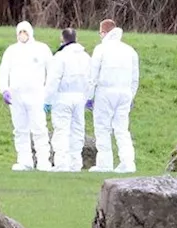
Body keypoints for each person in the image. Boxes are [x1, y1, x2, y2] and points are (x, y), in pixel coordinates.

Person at [0, 21, 53, 171]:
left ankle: (43, 160)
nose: (23, 35)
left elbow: (51, 72)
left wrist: (48, 94)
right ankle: (24, 160)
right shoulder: (11, 51)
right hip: (16, 96)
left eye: (25, 32)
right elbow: (3, 71)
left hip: (36, 95)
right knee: (20, 129)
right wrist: (4, 90)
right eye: (20, 32)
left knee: (39, 128)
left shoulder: (41, 49)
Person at [88, 18, 140, 173]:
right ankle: (128, 162)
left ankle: (105, 163)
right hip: (124, 93)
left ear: (103, 32)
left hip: (105, 92)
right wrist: (131, 95)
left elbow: (93, 75)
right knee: (122, 129)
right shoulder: (130, 50)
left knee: (102, 128)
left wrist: (89, 97)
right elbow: (135, 78)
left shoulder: (101, 49)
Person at [43, 27, 91, 172]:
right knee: (77, 130)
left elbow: (53, 80)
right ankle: (75, 163)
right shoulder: (86, 57)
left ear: (62, 39)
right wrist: (88, 97)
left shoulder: (60, 57)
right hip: (80, 97)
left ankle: (61, 163)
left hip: (62, 97)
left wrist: (47, 100)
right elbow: (90, 79)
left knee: (61, 130)